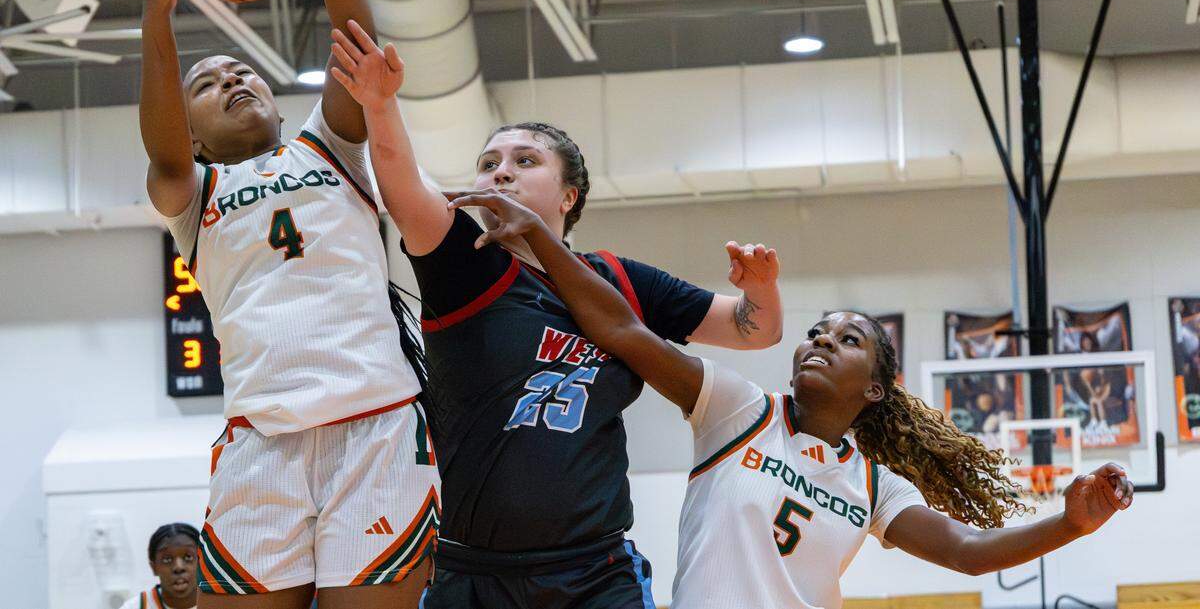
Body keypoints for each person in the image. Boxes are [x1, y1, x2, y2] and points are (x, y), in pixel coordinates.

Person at [443, 188, 1136, 609]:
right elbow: (623, 328)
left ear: (875, 387)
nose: (821, 340)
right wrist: (541, 237)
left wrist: (1071, 522)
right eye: (815, 331)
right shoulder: (740, 411)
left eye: (848, 338)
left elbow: (968, 550)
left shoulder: (873, 482)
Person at [325, 22, 782, 608]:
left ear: (568, 197)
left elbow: (755, 327)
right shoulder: (463, 263)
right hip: (473, 569)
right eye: (489, 162)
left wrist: (763, 287)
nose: (501, 171)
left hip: (594, 570)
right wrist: (381, 107)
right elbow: (404, 187)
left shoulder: (618, 280)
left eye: (525, 160)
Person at [138, 0, 438, 607]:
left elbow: (355, 40)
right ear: (191, 134)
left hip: (376, 426)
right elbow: (160, 155)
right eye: (207, 84)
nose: (233, 81)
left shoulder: (329, 146)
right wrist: (156, 12)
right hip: (262, 439)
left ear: (278, 107)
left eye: (242, 73)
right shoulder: (193, 197)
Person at [121, 524, 201, 609]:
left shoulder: (215, 603)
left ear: (202, 562)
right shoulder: (134, 606)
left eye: (188, 557)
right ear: (154, 567)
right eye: (167, 559)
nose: (178, 567)